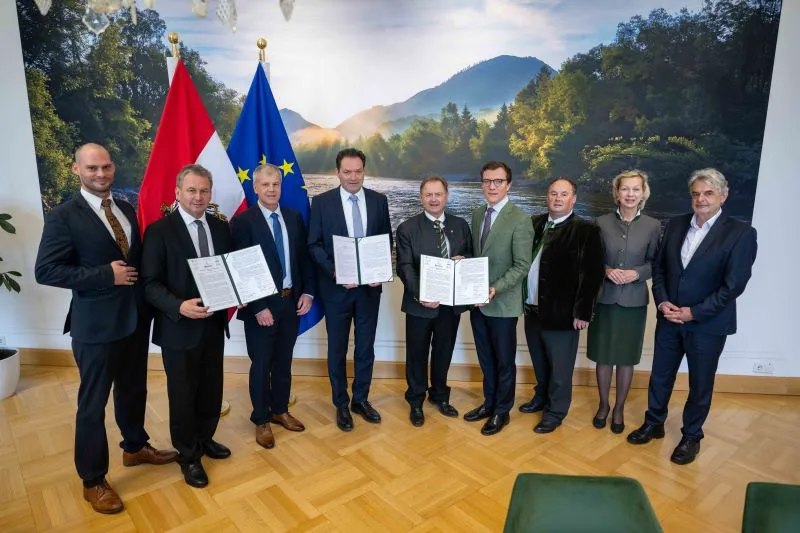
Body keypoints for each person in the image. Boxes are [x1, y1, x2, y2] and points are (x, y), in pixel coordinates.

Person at [34, 143, 177, 515]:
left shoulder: (125, 208)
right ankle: (93, 480)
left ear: (113, 168)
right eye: (92, 168)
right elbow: (46, 270)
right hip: (95, 326)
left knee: (133, 388)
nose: (100, 174)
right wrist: (103, 275)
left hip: (133, 319)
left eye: (106, 167)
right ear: (76, 169)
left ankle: (134, 447)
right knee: (92, 404)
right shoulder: (64, 216)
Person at [627, 168, 757, 465]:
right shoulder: (674, 225)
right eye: (696, 193)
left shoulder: (740, 233)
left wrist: (694, 313)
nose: (701, 199)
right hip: (669, 318)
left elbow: (733, 285)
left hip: (708, 325)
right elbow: (659, 269)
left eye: (708, 193)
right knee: (660, 376)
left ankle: (691, 436)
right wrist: (662, 303)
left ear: (723, 196)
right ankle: (654, 422)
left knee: (700, 384)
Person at [140, 164, 234, 488]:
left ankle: (206, 438)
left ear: (210, 194)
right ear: (178, 193)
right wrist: (179, 306)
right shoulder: (159, 231)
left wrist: (242, 292)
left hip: (213, 325)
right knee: (182, 394)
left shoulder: (221, 228)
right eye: (191, 190)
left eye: (204, 191)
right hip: (179, 327)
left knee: (211, 389)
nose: (198, 197)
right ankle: (188, 454)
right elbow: (149, 284)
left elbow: (230, 272)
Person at [230, 164, 316, 448]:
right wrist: (257, 307)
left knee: (283, 362)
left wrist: (308, 293)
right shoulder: (243, 222)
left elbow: (303, 260)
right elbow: (241, 268)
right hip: (261, 308)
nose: (270, 189)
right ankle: (261, 419)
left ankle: (280, 410)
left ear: (281, 186)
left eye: (275, 184)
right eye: (265, 185)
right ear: (255, 188)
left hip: (291, 302)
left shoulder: (293, 218)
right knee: (262, 363)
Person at [307, 148, 392, 431]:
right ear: (338, 173)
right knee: (338, 349)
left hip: (369, 290)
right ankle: (341, 404)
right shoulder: (321, 203)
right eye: (347, 171)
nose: (353, 177)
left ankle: (361, 400)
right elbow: (314, 245)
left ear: (364, 171)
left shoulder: (380, 201)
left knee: (365, 348)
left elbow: (385, 241)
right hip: (336, 290)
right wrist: (335, 273)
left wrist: (380, 272)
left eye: (358, 171)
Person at [519, 177, 605, 434]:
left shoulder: (585, 230)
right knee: (539, 360)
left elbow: (592, 275)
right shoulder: (534, 224)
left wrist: (583, 311)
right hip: (531, 308)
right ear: (547, 196)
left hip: (563, 313)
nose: (557, 198)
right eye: (553, 193)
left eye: (563, 194)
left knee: (560, 366)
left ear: (573, 199)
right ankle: (541, 397)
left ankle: (555, 411)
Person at [587, 170, 661, 434]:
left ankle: (619, 408)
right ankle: (604, 405)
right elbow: (591, 260)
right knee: (604, 356)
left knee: (626, 358)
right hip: (604, 299)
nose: (630, 194)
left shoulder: (653, 226)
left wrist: (637, 273)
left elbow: (656, 263)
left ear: (643, 193)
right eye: (625, 189)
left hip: (634, 301)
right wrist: (606, 270)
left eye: (635, 189)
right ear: (616, 193)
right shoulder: (600, 222)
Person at [396, 176, 473, 426]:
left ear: (446, 196)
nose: (433, 199)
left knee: (443, 352)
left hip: (450, 306)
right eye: (428, 194)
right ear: (421, 198)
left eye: (438, 194)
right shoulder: (407, 228)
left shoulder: (461, 225)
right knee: (417, 354)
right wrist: (422, 295)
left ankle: (439, 395)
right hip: (420, 305)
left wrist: (465, 261)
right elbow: (405, 267)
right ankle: (416, 400)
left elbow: (470, 255)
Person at [464, 161, 534, 436]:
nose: (491, 186)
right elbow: (478, 256)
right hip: (477, 303)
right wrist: (463, 262)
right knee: (485, 358)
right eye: (487, 181)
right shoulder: (478, 213)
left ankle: (502, 412)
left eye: (498, 181)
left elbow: (521, 265)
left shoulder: (520, 220)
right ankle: (489, 403)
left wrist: (494, 288)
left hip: (502, 303)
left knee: (504, 361)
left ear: (509, 185)